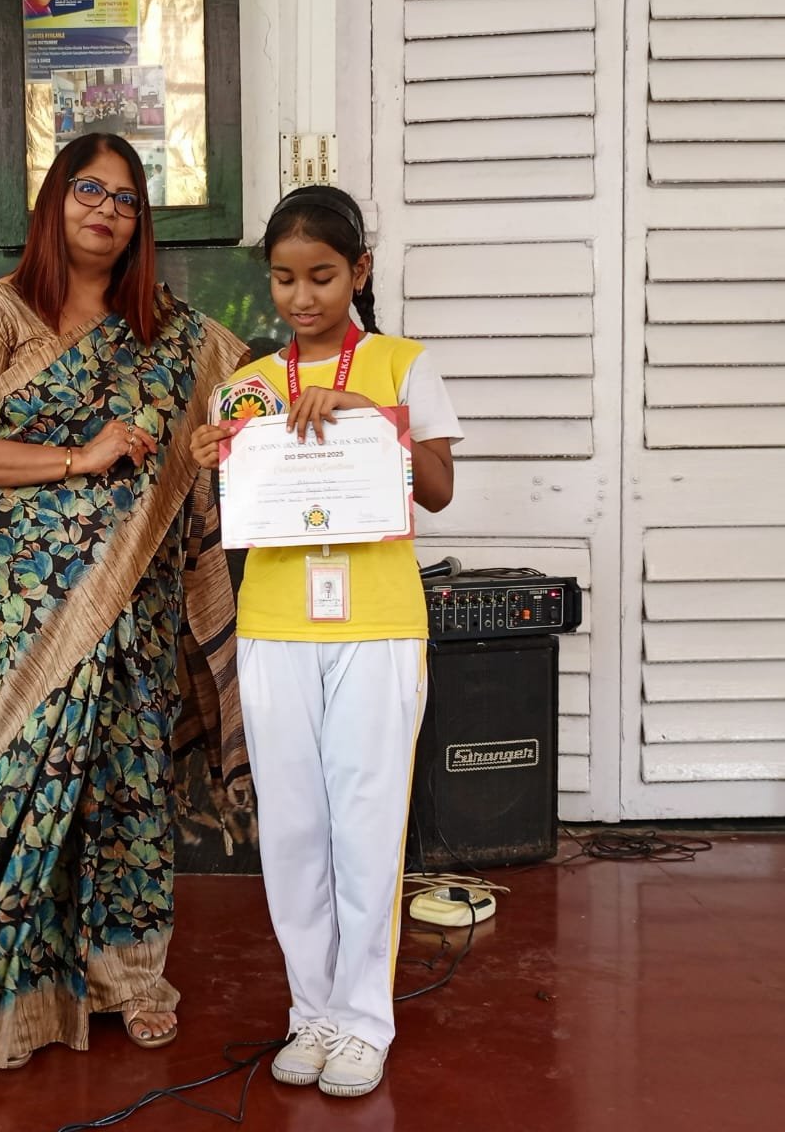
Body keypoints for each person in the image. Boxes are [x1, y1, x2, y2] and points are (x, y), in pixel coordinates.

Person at [0, 133, 250, 1068]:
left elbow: (243, 405)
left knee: (127, 788)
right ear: (53, 202)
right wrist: (82, 457)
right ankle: (12, 985)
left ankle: (131, 978)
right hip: (22, 613)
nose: (106, 210)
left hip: (134, 606)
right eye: (87, 190)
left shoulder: (175, 335)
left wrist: (230, 442)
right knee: (21, 787)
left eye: (125, 198)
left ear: (141, 221)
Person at [191, 185, 462, 1098]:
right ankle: (310, 1012)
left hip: (378, 623)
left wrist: (363, 415)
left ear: (359, 272)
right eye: (283, 279)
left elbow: (438, 491)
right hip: (274, 623)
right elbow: (236, 505)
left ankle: (362, 1022)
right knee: (295, 827)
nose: (300, 297)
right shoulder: (248, 384)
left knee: (366, 821)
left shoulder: (400, 363)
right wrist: (207, 455)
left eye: (321, 276)